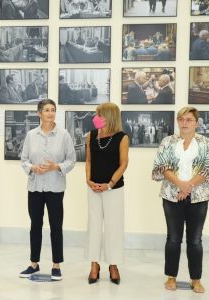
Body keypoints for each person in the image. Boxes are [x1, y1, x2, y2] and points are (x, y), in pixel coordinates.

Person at [152, 106, 209, 294]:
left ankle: (196, 279)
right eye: (181, 119)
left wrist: (187, 186)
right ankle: (171, 277)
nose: (184, 123)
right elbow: (162, 166)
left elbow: (208, 169)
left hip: (198, 197)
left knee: (195, 240)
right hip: (171, 196)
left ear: (197, 123)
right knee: (173, 239)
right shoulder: (168, 142)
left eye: (189, 120)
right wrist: (179, 185)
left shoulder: (206, 143)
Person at [18, 99, 75, 281]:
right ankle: (34, 264)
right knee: (35, 226)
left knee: (56, 227)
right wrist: (32, 168)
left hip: (55, 188)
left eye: (53, 110)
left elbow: (71, 161)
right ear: (39, 113)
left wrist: (56, 166)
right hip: (34, 187)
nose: (50, 113)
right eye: (46, 110)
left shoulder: (64, 135)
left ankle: (56, 265)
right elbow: (24, 159)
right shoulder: (31, 135)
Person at [86, 103, 129, 285]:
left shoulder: (122, 137)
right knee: (94, 225)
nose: (95, 117)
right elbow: (88, 160)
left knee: (113, 226)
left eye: (99, 114)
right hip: (93, 187)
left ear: (108, 116)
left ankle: (113, 265)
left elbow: (123, 164)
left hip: (113, 188)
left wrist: (110, 184)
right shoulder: (91, 135)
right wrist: (88, 180)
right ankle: (94, 265)